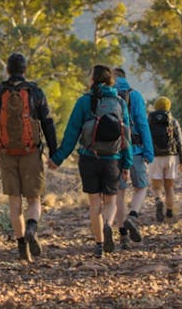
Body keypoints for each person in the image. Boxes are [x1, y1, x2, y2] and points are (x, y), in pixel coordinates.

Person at [48, 64, 133, 258]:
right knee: (110, 201)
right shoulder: (120, 102)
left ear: (93, 80)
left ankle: (99, 244)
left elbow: (71, 133)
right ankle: (108, 225)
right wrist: (126, 163)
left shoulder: (84, 102)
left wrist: (57, 159)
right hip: (113, 159)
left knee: (95, 203)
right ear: (110, 81)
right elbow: (126, 136)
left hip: (88, 158)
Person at [0, 52, 59, 262]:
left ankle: (21, 248)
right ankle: (32, 228)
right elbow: (48, 123)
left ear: (8, 69)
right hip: (31, 152)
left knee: (14, 203)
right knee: (34, 199)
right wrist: (54, 152)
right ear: (25, 69)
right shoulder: (35, 91)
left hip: (6, 153)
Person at [112, 67, 154, 250]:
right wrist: (149, 151)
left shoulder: (107, 95)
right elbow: (143, 123)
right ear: (125, 78)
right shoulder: (135, 95)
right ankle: (133, 216)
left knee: (119, 195)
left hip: (114, 152)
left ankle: (123, 237)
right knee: (141, 187)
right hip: (135, 149)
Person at [147, 96, 182, 222]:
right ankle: (169, 212)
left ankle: (158, 200)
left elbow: (145, 138)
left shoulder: (150, 120)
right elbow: (179, 141)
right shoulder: (173, 121)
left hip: (155, 156)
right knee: (169, 187)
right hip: (171, 156)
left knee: (156, 186)